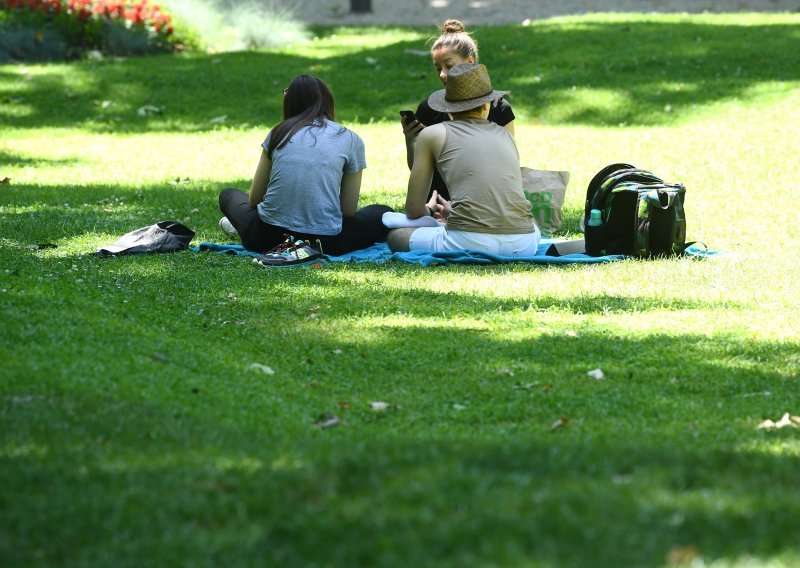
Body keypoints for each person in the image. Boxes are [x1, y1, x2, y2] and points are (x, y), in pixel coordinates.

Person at [218, 74, 392, 262]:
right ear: (327, 101)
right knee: (382, 212)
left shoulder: (279, 132)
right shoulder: (351, 139)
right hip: (327, 242)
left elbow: (254, 199)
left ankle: (239, 228)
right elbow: (347, 211)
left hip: (266, 238)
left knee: (229, 195)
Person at [387, 63, 539, 256]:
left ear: (448, 109)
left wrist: (430, 210)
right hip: (525, 244)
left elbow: (414, 210)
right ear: (486, 106)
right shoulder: (505, 135)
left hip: (468, 240)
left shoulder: (431, 134)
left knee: (395, 236)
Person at [401, 19, 516, 202]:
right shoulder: (428, 109)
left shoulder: (500, 109)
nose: (442, 74)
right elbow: (418, 171)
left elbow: (510, 165)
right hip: (437, 202)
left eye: (449, 65)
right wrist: (411, 140)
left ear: (470, 62)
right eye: (438, 68)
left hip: (484, 201)